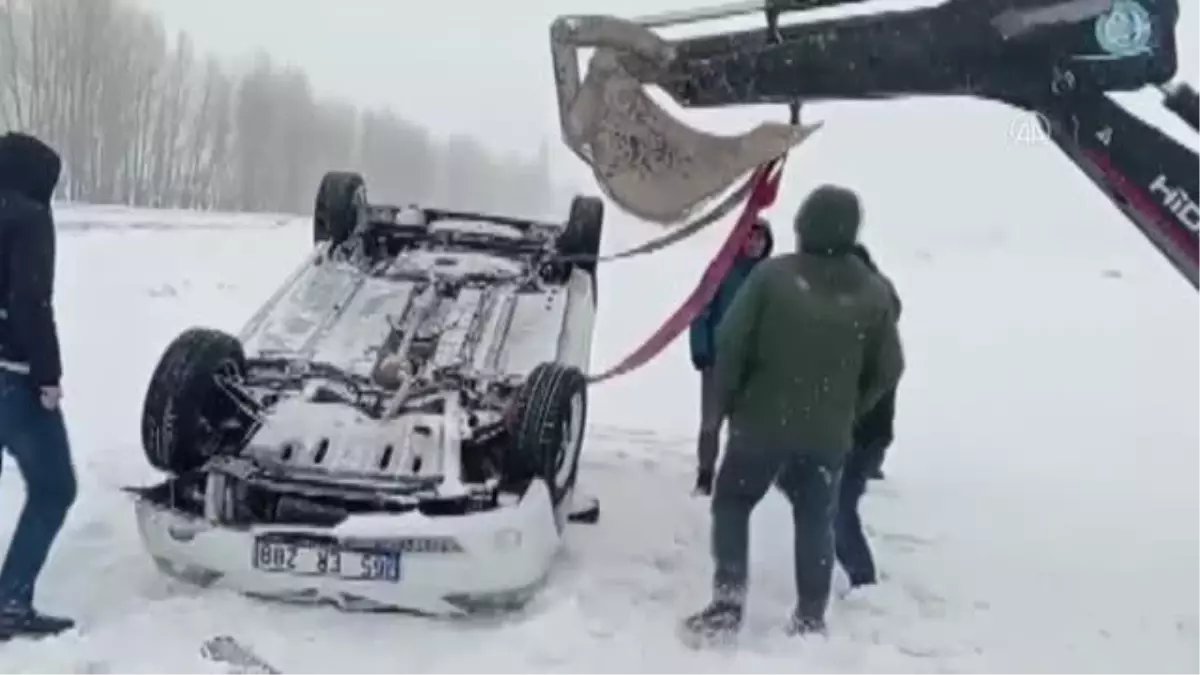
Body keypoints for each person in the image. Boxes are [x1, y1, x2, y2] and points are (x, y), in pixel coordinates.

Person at [681, 185, 904, 642]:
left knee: (733, 502)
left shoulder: (772, 278)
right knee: (815, 520)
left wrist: (725, 406)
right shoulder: (874, 292)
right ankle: (809, 617)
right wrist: (848, 410)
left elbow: (729, 341)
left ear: (803, 224)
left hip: (760, 425)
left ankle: (727, 602)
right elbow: (889, 369)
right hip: (826, 436)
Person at [0, 132, 77, 640]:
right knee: (54, 487)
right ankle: (10, 603)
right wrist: (47, 376)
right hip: (15, 378)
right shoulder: (28, 218)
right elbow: (32, 301)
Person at [835, 243, 904, 590]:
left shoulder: (874, 333)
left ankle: (865, 584)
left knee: (838, 511)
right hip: (850, 433)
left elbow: (880, 379)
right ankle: (858, 579)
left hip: (863, 435)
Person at [689, 218, 773, 495]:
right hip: (718, 360)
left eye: (760, 239)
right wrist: (701, 349)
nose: (755, 244)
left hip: (753, 366)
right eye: (750, 238)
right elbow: (700, 309)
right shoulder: (721, 270)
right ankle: (705, 474)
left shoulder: (769, 277)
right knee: (711, 422)